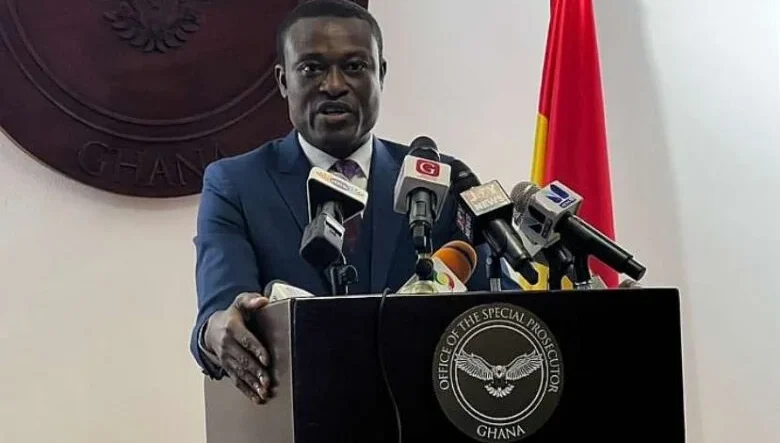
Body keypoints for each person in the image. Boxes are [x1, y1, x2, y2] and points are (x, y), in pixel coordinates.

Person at [190, 0, 518, 405]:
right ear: (283, 81)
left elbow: (499, 311)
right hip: (298, 412)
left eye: (355, 66)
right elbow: (219, 314)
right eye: (311, 68)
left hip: (424, 411)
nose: (333, 85)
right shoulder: (236, 185)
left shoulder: (441, 180)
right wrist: (215, 332)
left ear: (381, 74)